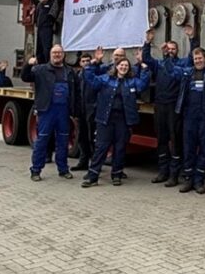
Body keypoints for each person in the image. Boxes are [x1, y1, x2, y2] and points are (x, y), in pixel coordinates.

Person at [81, 47, 151, 187]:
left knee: (120, 148)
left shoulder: (132, 81)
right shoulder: (105, 79)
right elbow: (89, 78)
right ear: (116, 66)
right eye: (121, 65)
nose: (123, 67)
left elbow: (143, 85)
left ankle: (117, 175)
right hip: (105, 119)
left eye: (126, 66)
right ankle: (93, 176)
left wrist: (143, 66)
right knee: (101, 147)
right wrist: (94, 62)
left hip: (123, 120)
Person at [166, 40, 205, 194]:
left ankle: (199, 181)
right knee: (189, 148)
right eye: (195, 59)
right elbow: (171, 70)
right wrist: (167, 55)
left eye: (200, 58)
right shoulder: (186, 72)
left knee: (204, 148)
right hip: (189, 116)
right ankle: (188, 179)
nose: (198, 61)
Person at [141, 24, 196, 185]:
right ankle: (163, 172)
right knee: (162, 140)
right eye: (168, 48)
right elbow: (146, 58)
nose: (170, 51)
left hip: (174, 108)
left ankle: (174, 175)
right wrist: (147, 42)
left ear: (177, 51)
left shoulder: (183, 64)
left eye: (173, 49)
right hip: (160, 106)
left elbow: (192, 57)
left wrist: (192, 38)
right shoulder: (159, 64)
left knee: (176, 140)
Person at [21, 44, 77, 181]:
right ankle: (35, 170)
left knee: (63, 141)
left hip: (63, 111)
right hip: (47, 110)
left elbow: (76, 91)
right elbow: (25, 77)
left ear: (63, 55)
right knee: (42, 140)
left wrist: (75, 110)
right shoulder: (40, 70)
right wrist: (28, 64)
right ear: (50, 55)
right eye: (54, 53)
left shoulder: (69, 71)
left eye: (59, 53)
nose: (57, 55)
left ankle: (63, 169)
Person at [70, 52, 98, 171]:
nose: (86, 63)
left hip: (93, 110)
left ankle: (95, 164)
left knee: (93, 138)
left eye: (88, 61)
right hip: (81, 110)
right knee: (81, 137)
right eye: (83, 61)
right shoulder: (77, 75)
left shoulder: (95, 73)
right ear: (80, 63)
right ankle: (83, 162)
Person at [26, 0, 66, 64]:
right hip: (39, 28)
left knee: (46, 47)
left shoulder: (52, 3)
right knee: (39, 49)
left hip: (47, 28)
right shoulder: (39, 5)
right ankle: (40, 63)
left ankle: (48, 63)